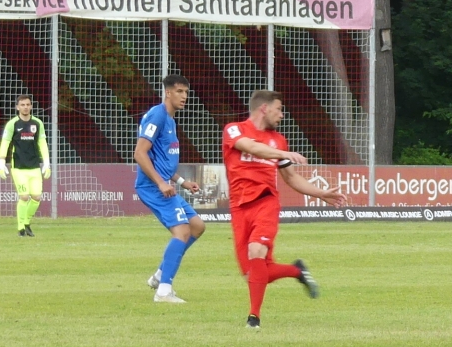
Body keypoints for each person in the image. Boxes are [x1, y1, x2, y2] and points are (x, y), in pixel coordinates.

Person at [220, 91, 343, 328]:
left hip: (265, 202)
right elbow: (250, 147)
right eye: (278, 109)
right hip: (239, 207)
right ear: (264, 108)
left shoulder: (278, 140)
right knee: (253, 274)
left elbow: (291, 178)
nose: (282, 115)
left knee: (256, 249)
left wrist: (321, 193)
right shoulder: (234, 129)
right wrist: (282, 154)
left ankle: (253, 318)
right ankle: (296, 271)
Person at [137, 74, 206, 304]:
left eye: (186, 92)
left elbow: (162, 162)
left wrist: (182, 182)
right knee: (182, 232)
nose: (184, 96)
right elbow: (140, 153)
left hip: (162, 185)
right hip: (152, 186)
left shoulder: (170, 119)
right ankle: (163, 291)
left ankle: (160, 275)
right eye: (179, 91)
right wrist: (160, 183)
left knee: (196, 226)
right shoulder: (157, 115)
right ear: (168, 92)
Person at [0, 96, 50, 238]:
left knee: (36, 197)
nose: (25, 107)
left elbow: (42, 143)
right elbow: (5, 142)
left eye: (28, 104)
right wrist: (1, 162)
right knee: (24, 196)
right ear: (17, 107)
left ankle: (26, 222)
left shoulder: (37, 123)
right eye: (22, 105)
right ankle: (20, 227)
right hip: (18, 167)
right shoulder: (12, 124)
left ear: (31, 106)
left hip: (34, 167)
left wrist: (46, 162)